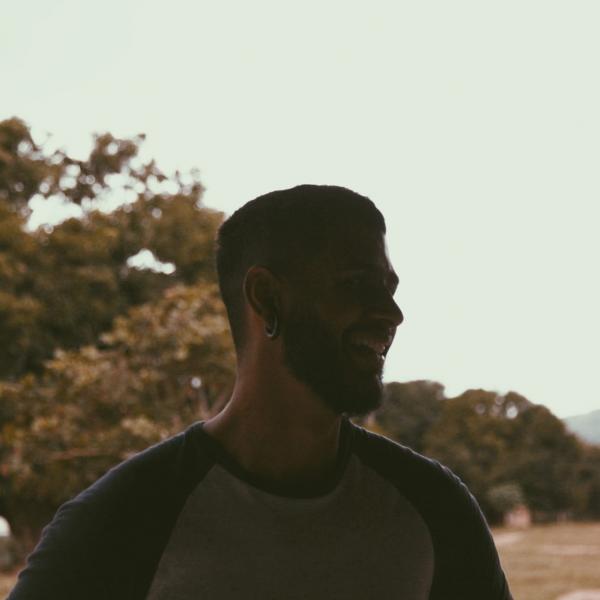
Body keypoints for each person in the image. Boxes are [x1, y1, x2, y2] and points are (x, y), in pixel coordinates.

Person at [9, 185, 512, 599]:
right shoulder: (121, 521)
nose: (391, 314)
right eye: (358, 284)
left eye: (389, 288)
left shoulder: (435, 507)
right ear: (267, 298)